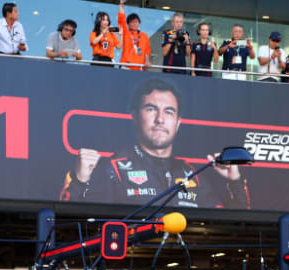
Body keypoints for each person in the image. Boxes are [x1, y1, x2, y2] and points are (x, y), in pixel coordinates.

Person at [61, 78, 250, 209]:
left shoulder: (193, 174)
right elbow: (75, 224)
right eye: (151, 109)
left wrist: (235, 182)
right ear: (134, 116)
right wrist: (79, 180)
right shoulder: (112, 169)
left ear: (178, 123)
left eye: (169, 112)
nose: (160, 119)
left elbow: (234, 225)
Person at [118, 0, 150, 71]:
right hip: (126, 66)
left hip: (140, 68)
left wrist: (147, 61)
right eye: (132, 22)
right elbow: (121, 18)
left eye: (136, 22)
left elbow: (147, 51)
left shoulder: (144, 36)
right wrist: (121, 5)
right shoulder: (126, 33)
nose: (134, 24)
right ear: (128, 24)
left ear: (139, 23)